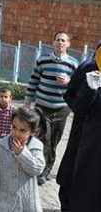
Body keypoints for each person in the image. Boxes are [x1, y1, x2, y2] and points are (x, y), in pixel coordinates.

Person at [24, 31, 78, 185]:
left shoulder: (73, 64)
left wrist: (69, 81)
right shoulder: (43, 61)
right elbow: (33, 81)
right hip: (42, 107)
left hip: (61, 109)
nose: (60, 43)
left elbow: (77, 85)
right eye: (57, 40)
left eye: (63, 40)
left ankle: (47, 169)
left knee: (54, 140)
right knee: (42, 138)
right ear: (53, 43)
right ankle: (39, 171)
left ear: (68, 44)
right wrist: (28, 102)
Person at [56, 40, 101, 211]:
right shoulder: (88, 68)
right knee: (75, 175)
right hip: (84, 132)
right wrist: (89, 92)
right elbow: (71, 96)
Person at [0, 106, 45, 212]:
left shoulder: (35, 147)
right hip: (3, 200)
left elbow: (37, 169)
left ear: (33, 132)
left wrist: (22, 153)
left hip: (26, 201)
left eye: (23, 130)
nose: (17, 133)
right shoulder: (1, 145)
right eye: (14, 127)